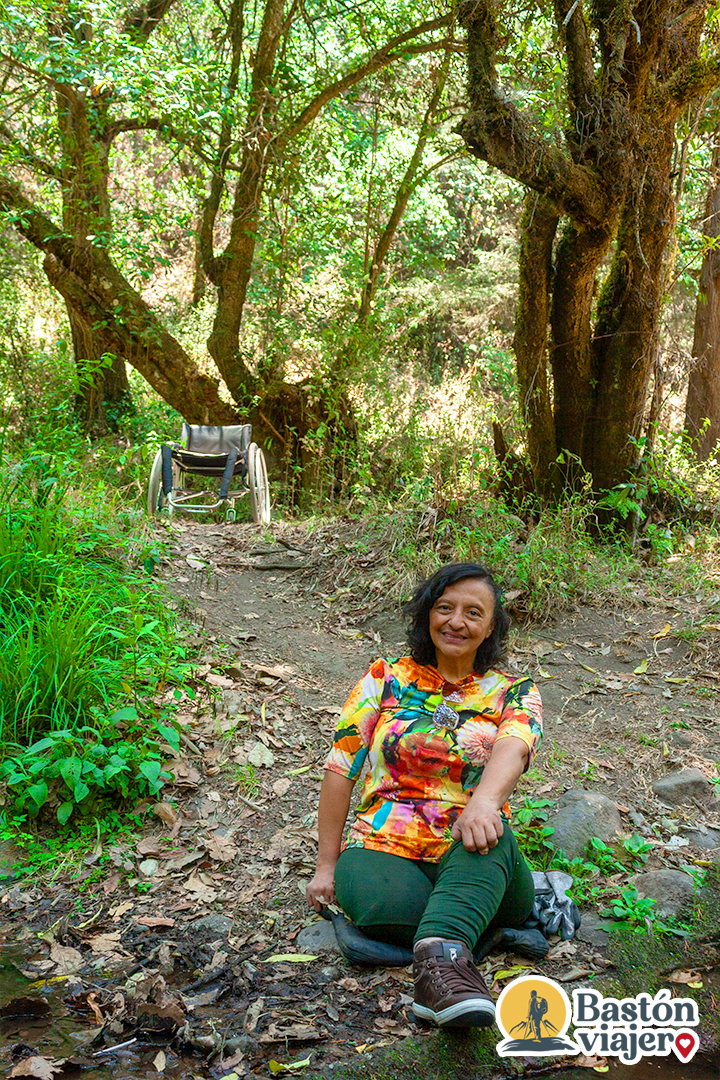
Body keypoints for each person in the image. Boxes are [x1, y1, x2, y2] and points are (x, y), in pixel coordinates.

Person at [306, 562, 542, 1029]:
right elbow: (340, 767)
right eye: (444, 608)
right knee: (377, 905)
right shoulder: (385, 678)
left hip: (474, 847)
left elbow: (515, 747)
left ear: (491, 625)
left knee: (488, 837)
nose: (456, 622)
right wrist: (326, 865)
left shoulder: (514, 690)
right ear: (426, 615)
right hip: (384, 845)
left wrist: (483, 803)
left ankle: (439, 972)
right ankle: (465, 941)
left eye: (473, 612)